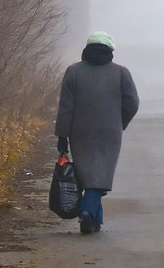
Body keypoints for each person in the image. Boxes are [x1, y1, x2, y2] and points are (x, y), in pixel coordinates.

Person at [54, 31, 139, 234]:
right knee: (100, 175)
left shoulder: (73, 72)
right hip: (110, 132)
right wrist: (120, 122)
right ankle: (87, 212)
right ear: (110, 51)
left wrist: (62, 135)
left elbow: (66, 107)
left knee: (87, 174)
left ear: (87, 49)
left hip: (80, 131)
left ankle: (94, 220)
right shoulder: (121, 73)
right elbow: (132, 103)